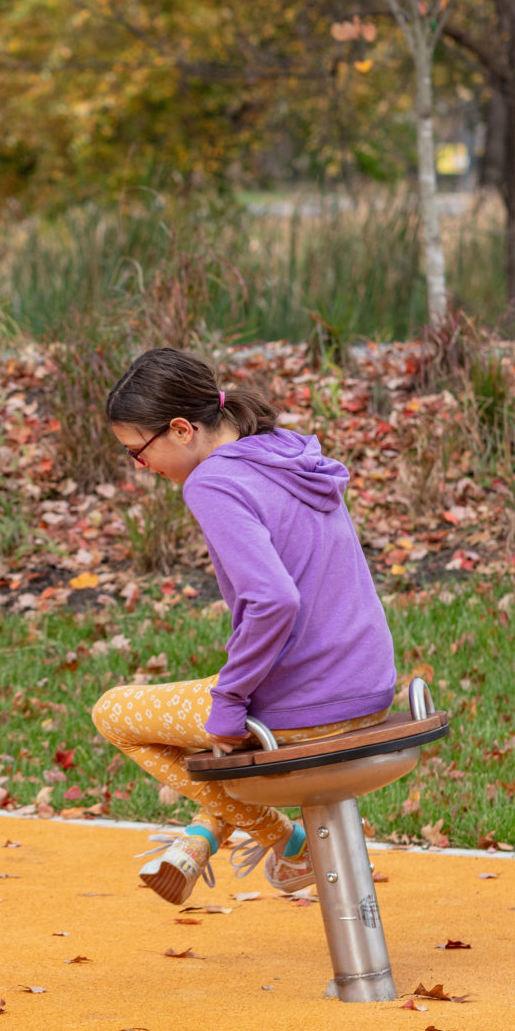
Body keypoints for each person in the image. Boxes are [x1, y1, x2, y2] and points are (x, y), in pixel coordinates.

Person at [91, 347, 398, 903]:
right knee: (216, 726)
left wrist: (230, 701)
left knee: (115, 713)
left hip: (310, 707)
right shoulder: (287, 453)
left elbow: (274, 601)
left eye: (138, 452)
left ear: (181, 429)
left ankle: (289, 843)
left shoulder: (211, 483)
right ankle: (206, 830)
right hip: (371, 686)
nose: (141, 467)